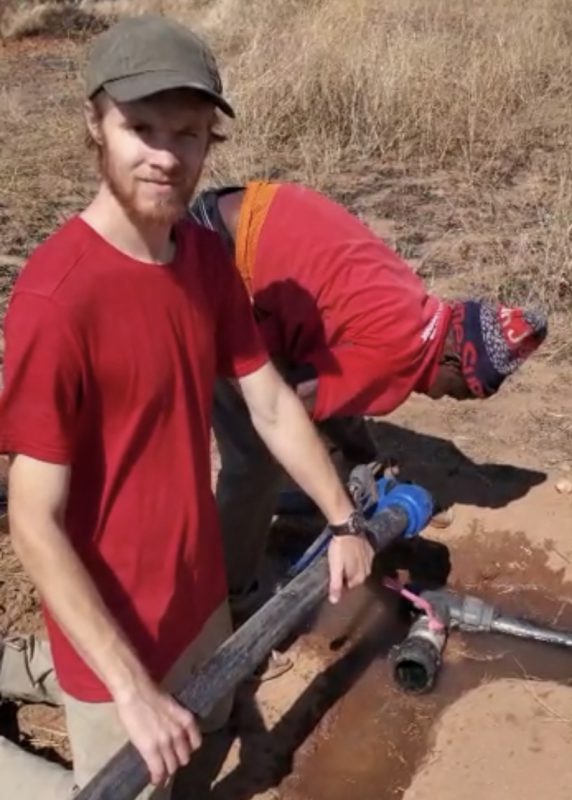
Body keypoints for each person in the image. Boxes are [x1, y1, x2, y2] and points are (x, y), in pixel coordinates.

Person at [0, 19, 374, 800]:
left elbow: (266, 397)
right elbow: (35, 519)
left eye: (190, 133)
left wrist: (344, 517)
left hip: (198, 595)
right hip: (110, 633)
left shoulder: (202, 258)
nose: (166, 156)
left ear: (212, 141)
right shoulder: (56, 299)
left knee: (200, 748)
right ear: (95, 127)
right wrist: (132, 689)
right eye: (140, 129)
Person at [189, 181, 548, 611]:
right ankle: (229, 598)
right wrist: (345, 523)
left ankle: (339, 496)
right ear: (454, 361)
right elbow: (281, 407)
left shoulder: (413, 304)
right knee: (255, 457)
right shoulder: (402, 353)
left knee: (316, 398)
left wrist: (365, 474)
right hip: (214, 255)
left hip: (243, 221)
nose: (449, 400)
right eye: (461, 393)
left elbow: (342, 386)